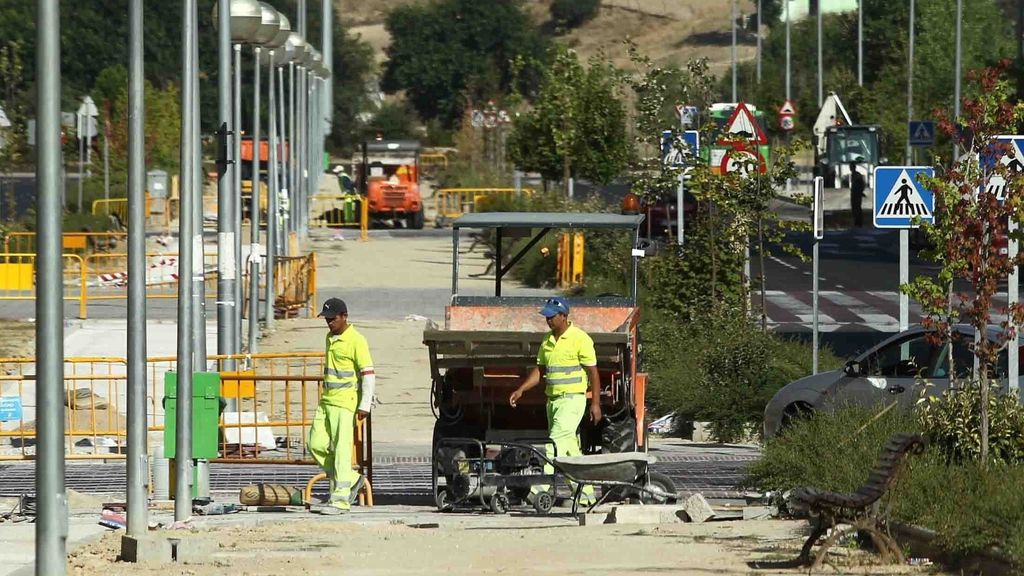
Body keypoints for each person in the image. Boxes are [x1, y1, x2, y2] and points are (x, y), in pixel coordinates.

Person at [509, 297, 601, 504]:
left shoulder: (580, 339)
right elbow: (540, 371)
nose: (548, 320)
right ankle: (586, 495)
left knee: (553, 444)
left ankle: (538, 489)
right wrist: (521, 389)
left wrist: (595, 403)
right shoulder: (547, 341)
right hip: (553, 402)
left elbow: (593, 373)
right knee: (570, 450)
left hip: (573, 401)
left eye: (552, 316)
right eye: (546, 316)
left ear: (564, 316)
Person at [309, 297, 375, 514]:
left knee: (341, 451)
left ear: (344, 317)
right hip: (327, 401)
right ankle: (352, 479)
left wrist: (365, 404)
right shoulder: (330, 337)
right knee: (315, 444)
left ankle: (340, 501)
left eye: (332, 318)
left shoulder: (357, 340)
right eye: (326, 319)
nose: (329, 323)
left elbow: (368, 374)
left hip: (345, 403)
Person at [849, 162, 867, 227]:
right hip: (854, 193)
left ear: (854, 167)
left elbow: (862, 184)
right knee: (854, 208)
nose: (850, 168)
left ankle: (859, 222)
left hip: (857, 194)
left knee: (857, 208)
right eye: (850, 167)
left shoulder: (857, 175)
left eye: (851, 167)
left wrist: (860, 192)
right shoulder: (853, 174)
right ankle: (856, 222)